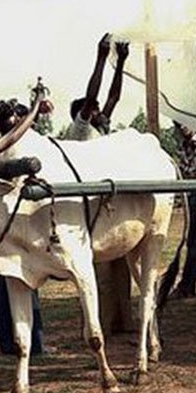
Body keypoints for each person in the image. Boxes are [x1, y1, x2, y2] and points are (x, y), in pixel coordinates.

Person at [65, 33, 132, 336]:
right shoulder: (79, 130)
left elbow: (113, 98)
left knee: (121, 270)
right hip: (89, 211)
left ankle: (124, 324)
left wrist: (122, 65)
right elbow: (94, 97)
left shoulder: (101, 128)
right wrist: (102, 58)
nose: (99, 112)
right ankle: (99, 330)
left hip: (111, 207)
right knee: (101, 273)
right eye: (93, 110)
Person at [0, 99, 47, 356]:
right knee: (14, 283)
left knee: (15, 284)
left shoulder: (4, 144)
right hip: (8, 226)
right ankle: (24, 343)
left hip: (13, 225)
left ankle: (21, 342)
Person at [171, 122, 196, 298]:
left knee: (195, 239)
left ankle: (187, 284)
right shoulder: (184, 145)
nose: (181, 128)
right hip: (192, 193)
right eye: (178, 125)